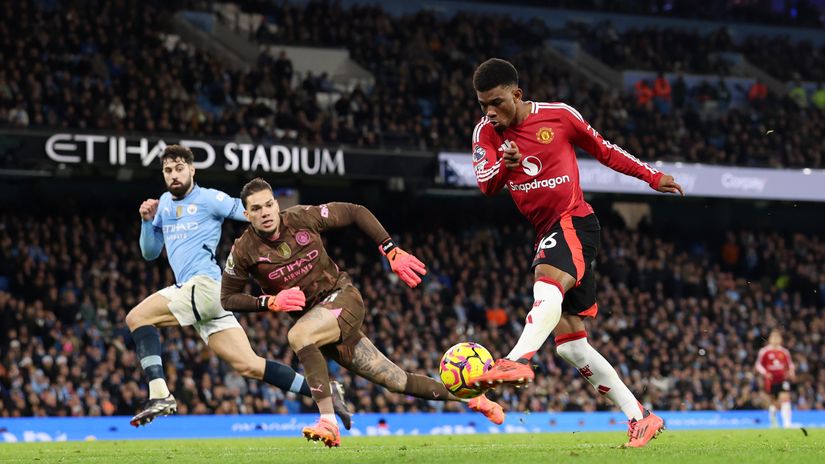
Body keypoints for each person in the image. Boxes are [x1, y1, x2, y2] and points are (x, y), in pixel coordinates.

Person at [468, 58, 684, 448]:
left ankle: (517, 359)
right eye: (484, 104)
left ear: (517, 94)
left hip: (573, 221)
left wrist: (652, 176)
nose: (491, 112)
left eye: (497, 102)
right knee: (572, 347)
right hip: (545, 231)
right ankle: (641, 418)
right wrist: (504, 164)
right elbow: (485, 185)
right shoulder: (486, 133)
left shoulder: (559, 116)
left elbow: (604, 150)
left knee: (545, 283)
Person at [220, 178, 505, 447]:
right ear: (247, 214)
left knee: (298, 334)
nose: (266, 212)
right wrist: (268, 302)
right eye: (256, 208)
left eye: (269, 204)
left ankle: (327, 421)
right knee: (395, 380)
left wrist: (390, 250)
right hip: (321, 325)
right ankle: (473, 399)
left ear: (276, 204)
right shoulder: (244, 251)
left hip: (342, 298)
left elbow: (356, 212)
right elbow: (228, 298)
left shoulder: (302, 217)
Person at [129, 145, 350, 427]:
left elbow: (247, 212)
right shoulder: (164, 204)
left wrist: (280, 231)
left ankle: (159, 394)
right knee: (249, 365)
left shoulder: (210, 199)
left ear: (192, 170)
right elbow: (149, 252)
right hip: (203, 295)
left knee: (137, 317)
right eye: (168, 170)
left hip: (204, 285)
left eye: (180, 168)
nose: (174, 174)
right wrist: (147, 222)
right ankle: (325, 392)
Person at [755, 329, 796, 428]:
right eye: (773, 337)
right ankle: (773, 422)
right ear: (770, 339)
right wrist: (766, 373)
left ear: (781, 339)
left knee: (785, 398)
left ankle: (787, 424)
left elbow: (790, 364)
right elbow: (758, 365)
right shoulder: (764, 351)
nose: (775, 339)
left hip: (782, 379)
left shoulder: (784, 352)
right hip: (770, 380)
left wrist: (791, 372)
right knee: (775, 403)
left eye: (778, 337)